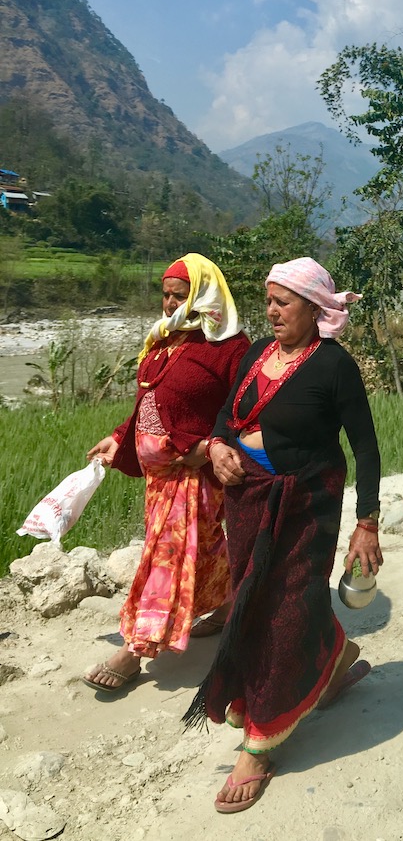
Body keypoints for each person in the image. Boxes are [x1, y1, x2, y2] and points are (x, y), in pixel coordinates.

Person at [182, 257, 381, 815]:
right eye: (268, 300)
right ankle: (335, 657)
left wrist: (367, 522)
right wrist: (217, 447)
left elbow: (366, 446)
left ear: (314, 309)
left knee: (283, 609)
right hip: (248, 499)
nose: (271, 311)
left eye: (282, 302)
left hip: (305, 503)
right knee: (259, 597)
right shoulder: (255, 355)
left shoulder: (334, 365)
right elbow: (227, 416)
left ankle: (260, 743)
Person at [83, 254, 250, 692]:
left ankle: (135, 649)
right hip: (159, 478)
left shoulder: (229, 347)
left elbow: (244, 411)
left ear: (204, 296)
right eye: (166, 295)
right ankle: (230, 600)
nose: (171, 303)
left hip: (195, 474)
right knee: (204, 545)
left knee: (167, 555)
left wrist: (208, 448)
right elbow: (152, 400)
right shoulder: (165, 338)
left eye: (180, 295)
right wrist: (120, 436)